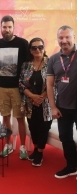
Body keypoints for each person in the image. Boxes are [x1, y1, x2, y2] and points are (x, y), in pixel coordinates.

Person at [0, 15, 29, 159]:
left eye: (9, 27)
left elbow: (28, 67)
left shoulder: (23, 43)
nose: (7, 30)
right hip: (1, 87)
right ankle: (7, 145)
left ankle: (22, 147)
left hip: (18, 89)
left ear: (14, 28)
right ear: (1, 28)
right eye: (4, 27)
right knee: (5, 117)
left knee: (20, 118)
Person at [47, 25, 77, 178]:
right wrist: (53, 107)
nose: (64, 40)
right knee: (66, 138)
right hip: (62, 107)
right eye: (61, 38)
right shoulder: (53, 59)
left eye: (67, 37)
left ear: (73, 37)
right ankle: (72, 166)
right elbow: (50, 85)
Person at [19, 38, 52, 166]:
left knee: (43, 128)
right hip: (29, 102)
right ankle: (35, 148)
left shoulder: (50, 63)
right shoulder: (26, 65)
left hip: (46, 104)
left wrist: (41, 97)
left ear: (44, 48)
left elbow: (54, 84)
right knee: (33, 127)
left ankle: (40, 152)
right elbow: (21, 83)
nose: (37, 50)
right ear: (30, 50)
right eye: (34, 48)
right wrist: (32, 96)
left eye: (40, 47)